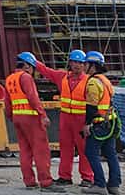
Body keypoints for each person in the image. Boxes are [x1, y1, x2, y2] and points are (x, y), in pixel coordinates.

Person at [6, 51, 63, 191]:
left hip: (18, 118)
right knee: (41, 150)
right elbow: (33, 97)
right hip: (31, 118)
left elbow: (7, 103)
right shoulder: (25, 77)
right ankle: (46, 182)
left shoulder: (9, 79)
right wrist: (42, 114)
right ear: (28, 66)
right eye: (33, 68)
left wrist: (12, 117)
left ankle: (29, 181)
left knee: (25, 150)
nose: (33, 72)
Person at [37, 49, 94, 186]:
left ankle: (87, 177)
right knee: (65, 147)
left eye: (80, 63)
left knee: (84, 149)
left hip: (81, 119)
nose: (77, 65)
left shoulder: (89, 81)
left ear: (84, 65)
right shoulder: (62, 77)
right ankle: (65, 177)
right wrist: (33, 61)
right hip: (66, 118)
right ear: (70, 63)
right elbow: (46, 71)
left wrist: (90, 121)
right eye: (74, 62)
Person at [82, 51, 121, 195]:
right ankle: (114, 185)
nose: (84, 66)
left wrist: (87, 124)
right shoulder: (105, 80)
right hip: (110, 122)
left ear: (93, 66)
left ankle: (99, 184)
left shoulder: (93, 82)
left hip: (99, 124)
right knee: (111, 154)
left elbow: (91, 107)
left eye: (86, 64)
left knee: (91, 152)